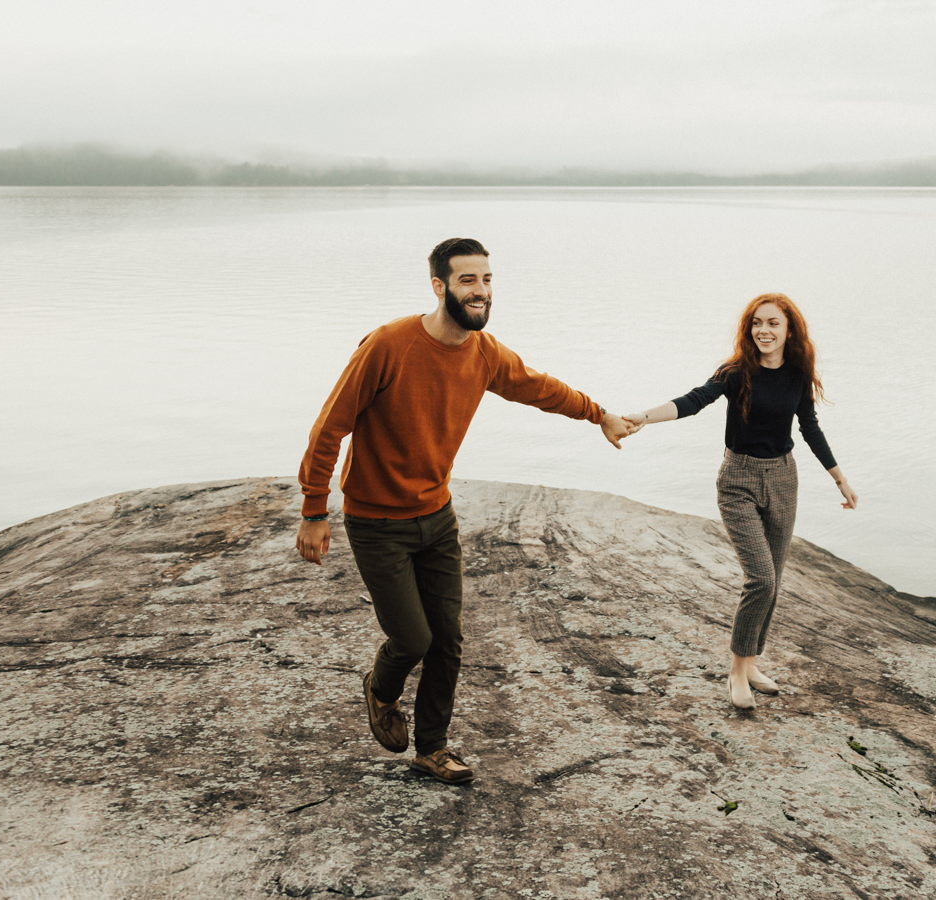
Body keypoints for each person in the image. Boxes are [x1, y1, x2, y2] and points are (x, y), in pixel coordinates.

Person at [296, 237, 635, 784]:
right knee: (413, 639)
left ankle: (433, 748)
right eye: (467, 281)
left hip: (437, 516)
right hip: (377, 521)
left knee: (448, 639)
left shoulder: (484, 353)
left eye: (486, 280)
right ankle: (381, 688)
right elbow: (329, 427)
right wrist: (315, 511)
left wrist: (599, 415)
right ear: (439, 286)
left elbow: (538, 388)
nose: (481, 291)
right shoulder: (387, 345)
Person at [623, 293, 858, 710]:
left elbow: (810, 428)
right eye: (756, 323)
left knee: (775, 580)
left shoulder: (798, 375)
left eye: (772, 323)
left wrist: (839, 477)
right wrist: (643, 416)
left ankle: (750, 665)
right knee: (761, 579)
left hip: (784, 479)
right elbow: (694, 401)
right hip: (738, 481)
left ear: (789, 331)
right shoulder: (736, 373)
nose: (763, 331)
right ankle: (736, 671)